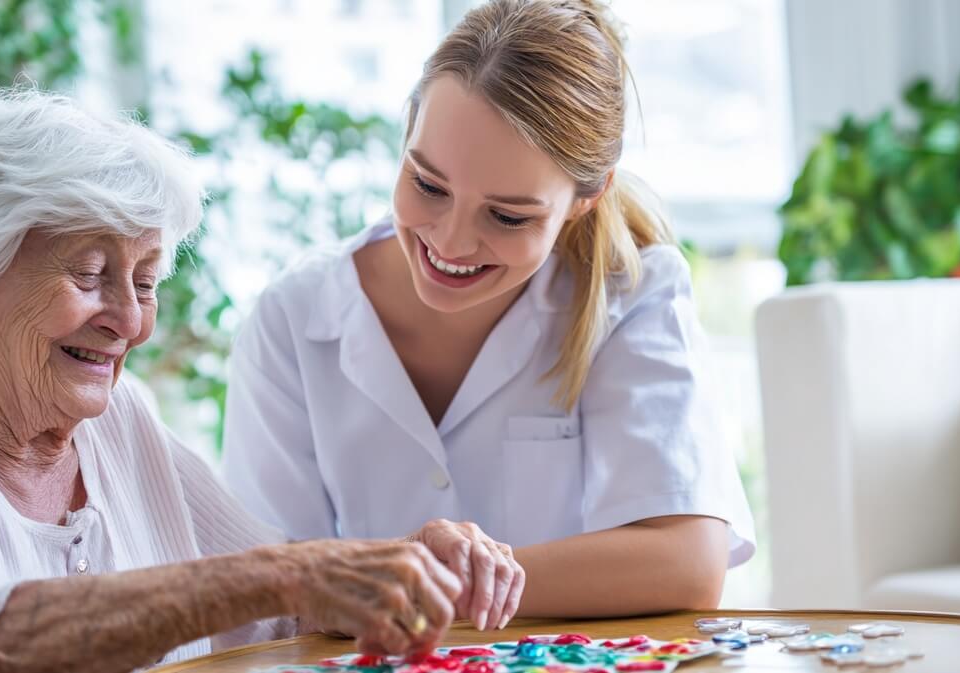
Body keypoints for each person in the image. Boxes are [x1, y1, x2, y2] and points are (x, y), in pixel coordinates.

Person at [0, 90, 521, 673]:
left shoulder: (119, 417)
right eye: (90, 274)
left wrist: (405, 563)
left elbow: (284, 597)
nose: (129, 320)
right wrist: (290, 576)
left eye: (145, 281)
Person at [220, 0, 755, 625]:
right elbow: (262, 598)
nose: (449, 243)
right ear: (408, 130)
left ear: (588, 196)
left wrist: (437, 580)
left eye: (507, 216)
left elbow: (686, 564)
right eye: (427, 185)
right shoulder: (292, 317)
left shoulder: (631, 292)